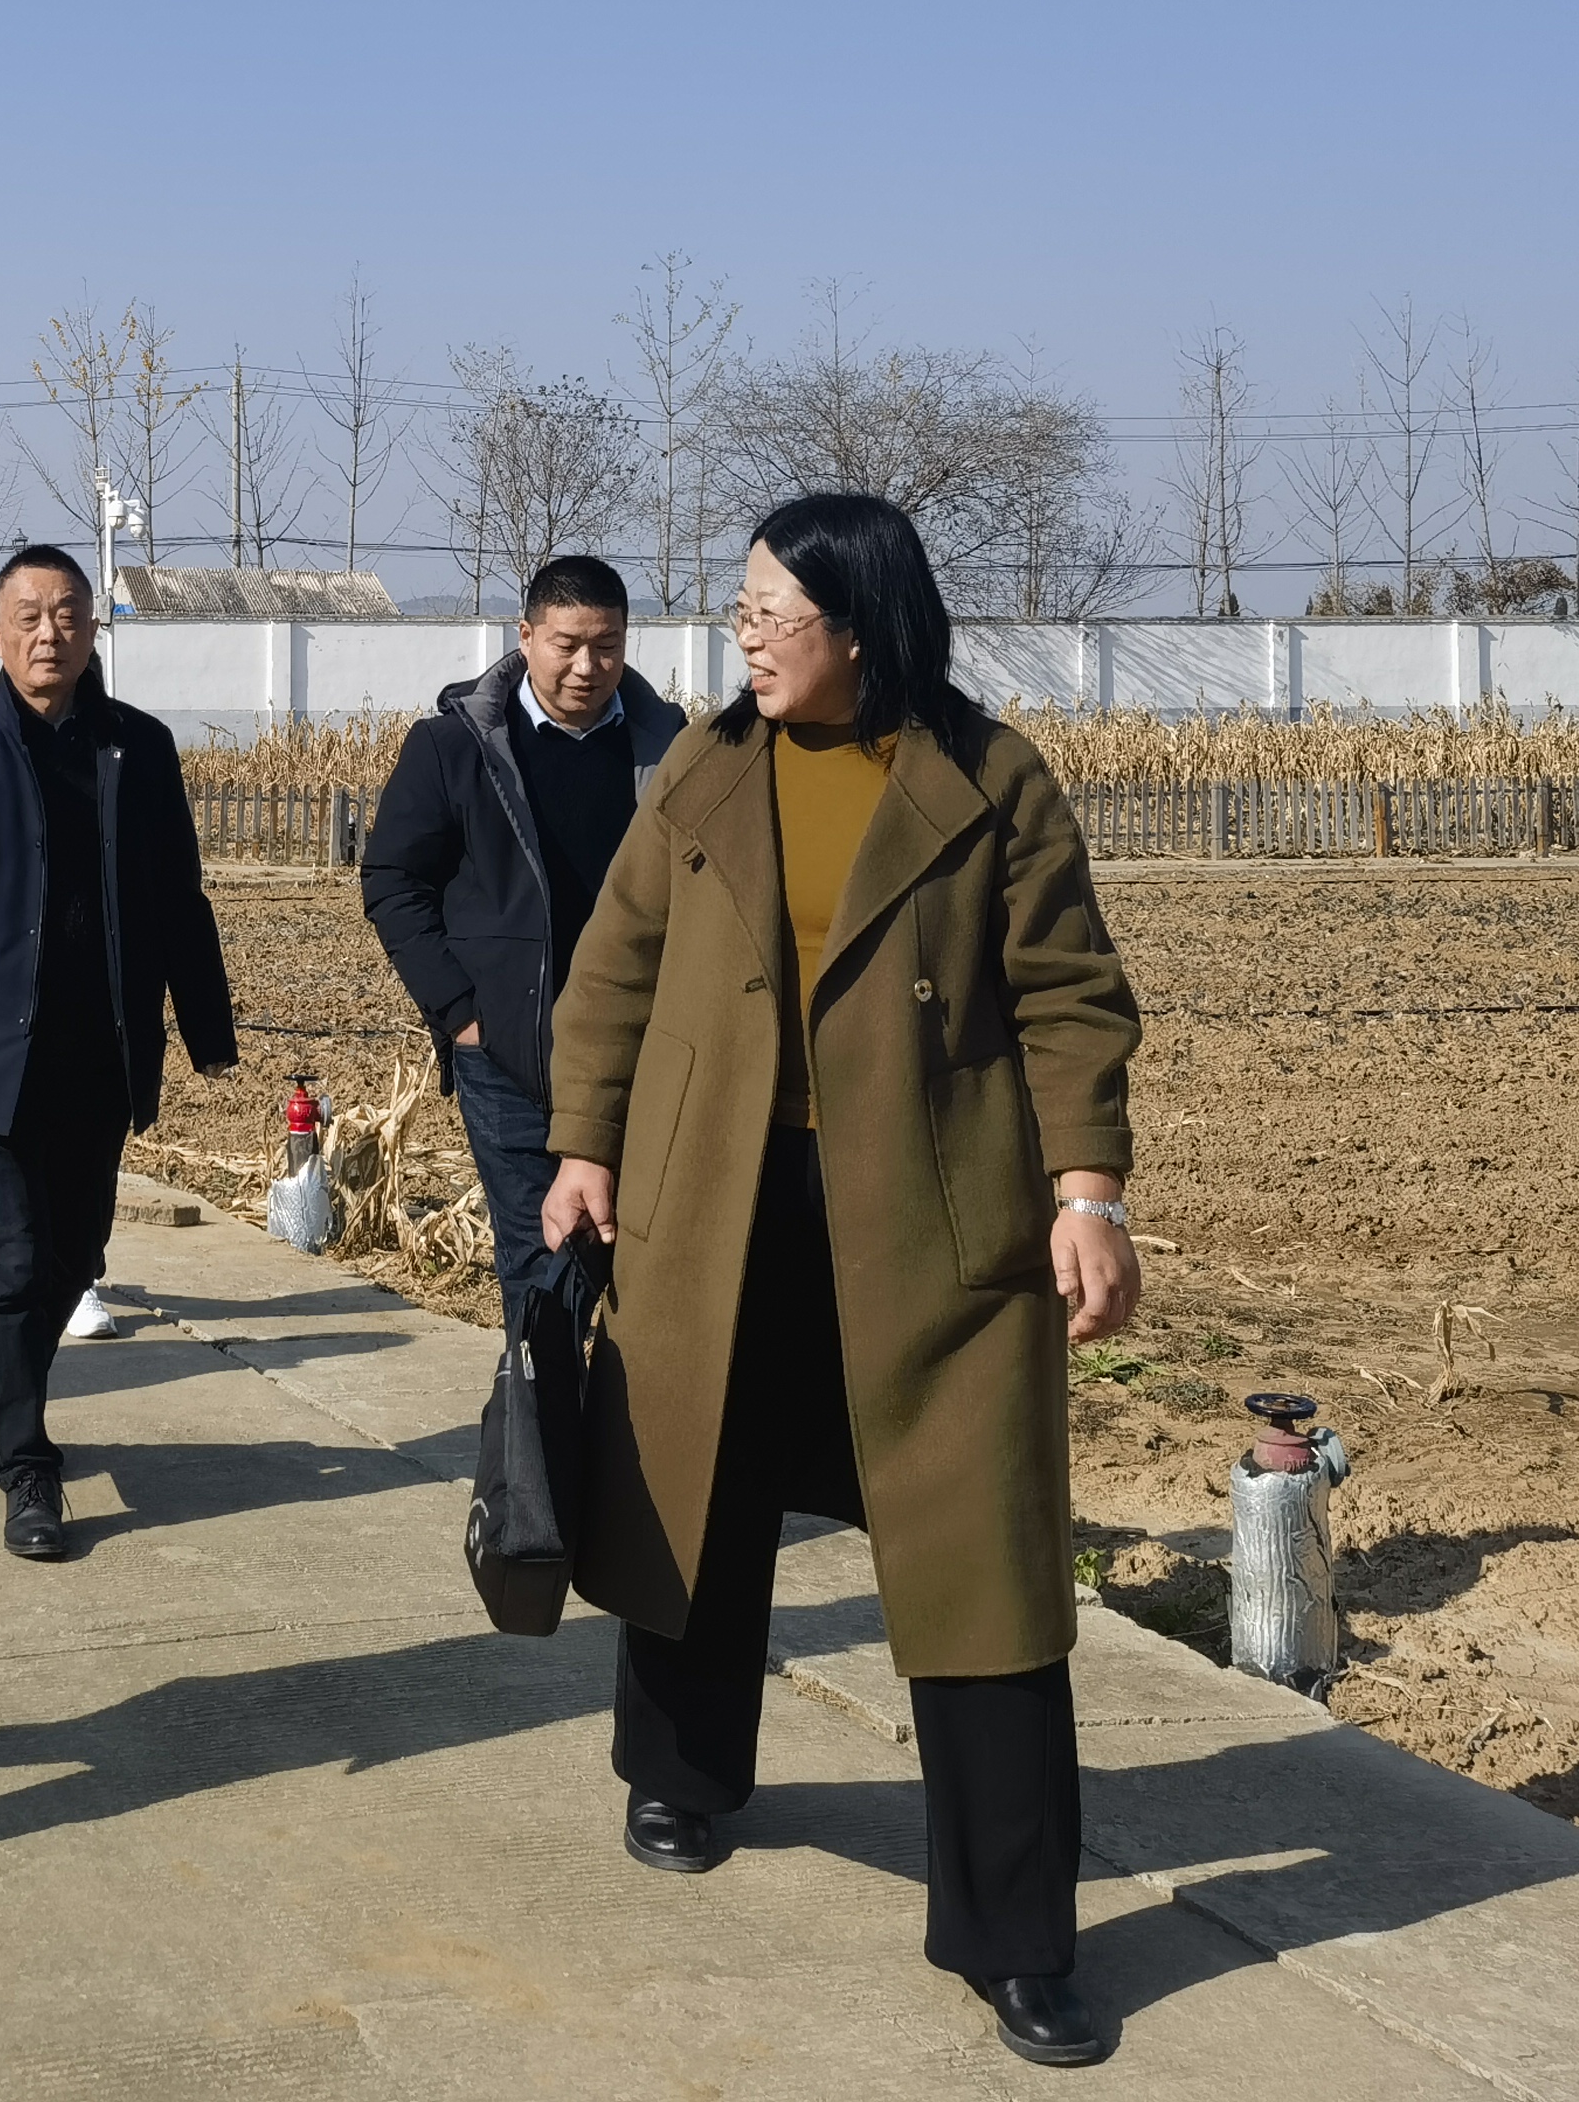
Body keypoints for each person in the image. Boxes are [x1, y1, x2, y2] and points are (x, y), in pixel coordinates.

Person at [539, 494, 1141, 2070]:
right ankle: (680, 1772)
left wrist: (1088, 1193)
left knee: (983, 1565)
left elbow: (1070, 998)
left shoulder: (989, 779)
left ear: (859, 628)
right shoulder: (707, 764)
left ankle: (1018, 1938)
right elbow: (615, 966)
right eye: (739, 608)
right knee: (696, 1491)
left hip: (934, 1222)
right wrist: (585, 1144)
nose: (742, 635)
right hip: (716, 1200)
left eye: (772, 614)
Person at [0, 545, 238, 1562]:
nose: (49, 633)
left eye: (68, 614)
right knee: (10, 1256)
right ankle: (27, 1466)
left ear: (91, 629)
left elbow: (178, 896)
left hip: (103, 1045)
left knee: (79, 1252)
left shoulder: (139, 746)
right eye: (28, 616)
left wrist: (207, 1030)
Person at [360, 554, 684, 1319]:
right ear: (526, 636)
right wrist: (463, 1015)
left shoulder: (670, 750)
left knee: (642, 1256)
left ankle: (606, 1398)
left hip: (643, 1052)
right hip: (509, 1056)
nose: (587, 667)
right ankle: (540, 1396)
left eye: (607, 646)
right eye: (567, 644)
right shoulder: (455, 747)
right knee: (542, 1260)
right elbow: (392, 881)